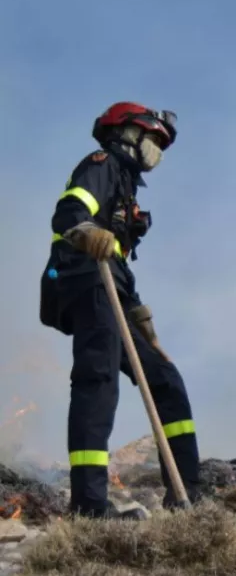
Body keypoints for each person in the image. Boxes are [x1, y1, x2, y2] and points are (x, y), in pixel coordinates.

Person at [39, 102, 202, 519]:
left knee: (165, 380)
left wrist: (142, 320)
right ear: (131, 134)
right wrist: (87, 230)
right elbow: (70, 212)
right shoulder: (103, 163)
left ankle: (188, 495)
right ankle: (89, 507)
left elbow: (118, 259)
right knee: (99, 381)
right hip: (87, 276)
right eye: (154, 141)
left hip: (114, 284)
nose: (157, 152)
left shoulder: (125, 183)